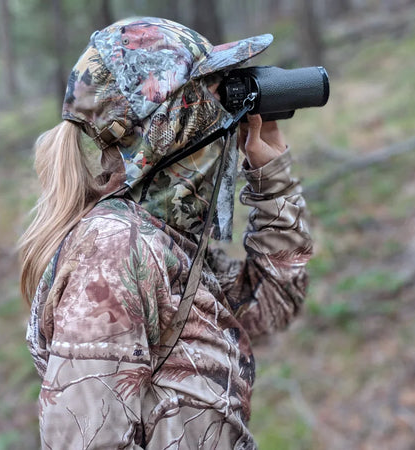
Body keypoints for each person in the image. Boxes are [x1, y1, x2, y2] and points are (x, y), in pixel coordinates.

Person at [19, 16, 313, 449]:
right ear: (168, 122)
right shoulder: (114, 250)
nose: (225, 108)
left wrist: (272, 177)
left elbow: (272, 304)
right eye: (210, 90)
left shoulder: (164, 240)